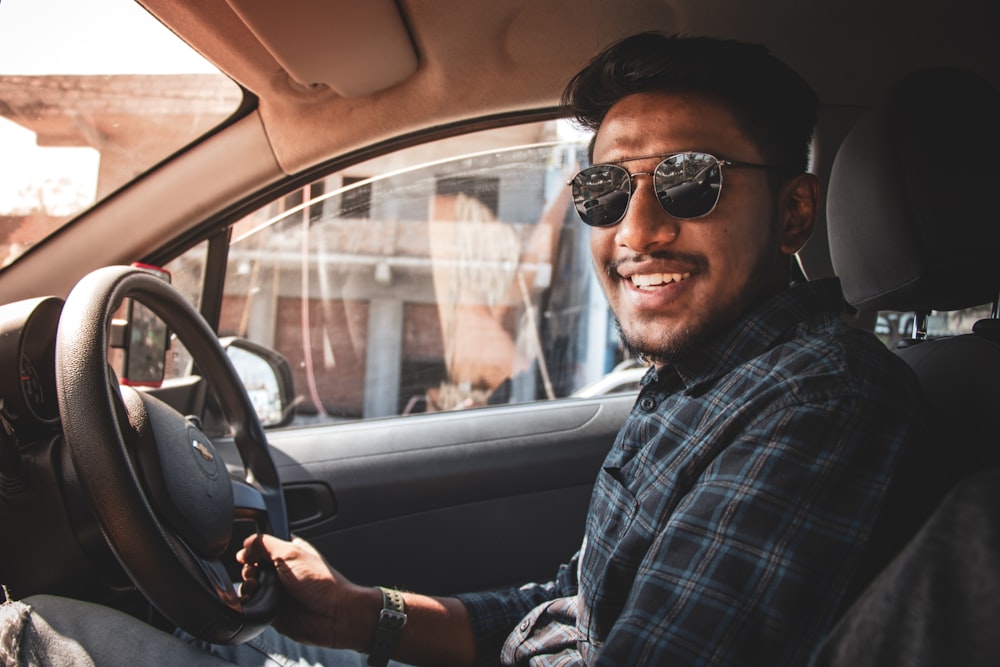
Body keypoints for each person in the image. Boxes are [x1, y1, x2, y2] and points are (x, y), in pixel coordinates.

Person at [9, 32, 945, 666]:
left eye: (691, 182)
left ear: (793, 212)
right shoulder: (704, 376)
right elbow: (572, 610)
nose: (638, 229)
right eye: (606, 190)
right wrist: (358, 611)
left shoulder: (824, 404)